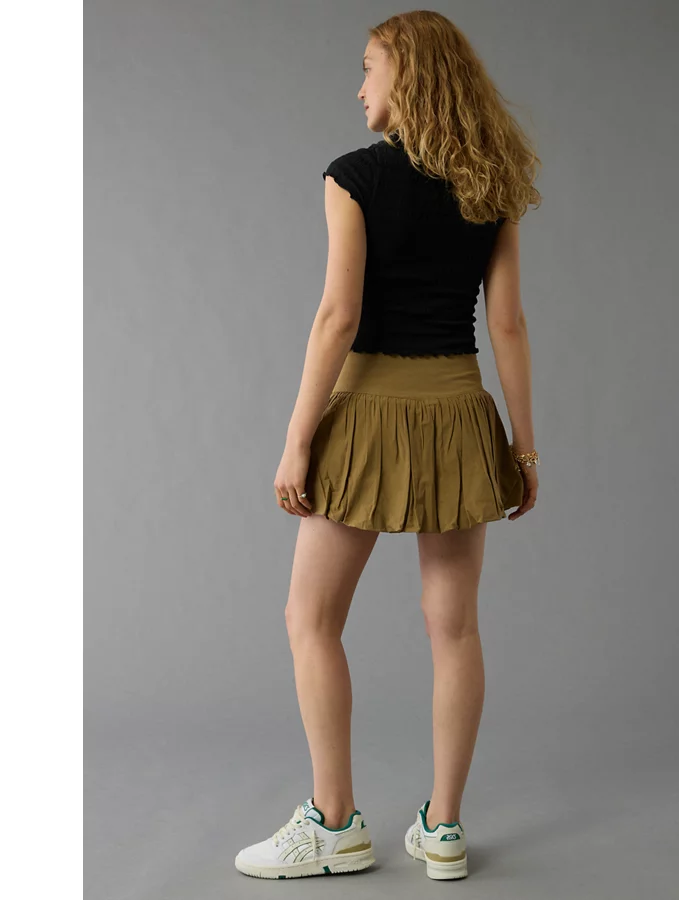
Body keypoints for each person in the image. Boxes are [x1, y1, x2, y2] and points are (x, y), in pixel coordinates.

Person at [235, 10, 541, 883]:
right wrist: (523, 450)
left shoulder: (354, 176)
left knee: (310, 619)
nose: (359, 84)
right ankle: (444, 830)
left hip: (365, 414)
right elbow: (508, 325)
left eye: (369, 66)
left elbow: (338, 316)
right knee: (456, 628)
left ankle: (334, 823)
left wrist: (297, 440)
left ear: (406, 75)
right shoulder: (492, 182)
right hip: (458, 414)